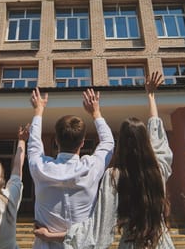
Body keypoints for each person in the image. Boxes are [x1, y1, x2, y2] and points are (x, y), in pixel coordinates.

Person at [34, 72, 174, 249]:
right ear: (146, 142)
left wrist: (52, 236)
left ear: (121, 145)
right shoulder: (159, 169)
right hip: (163, 244)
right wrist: (151, 96)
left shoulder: (114, 177)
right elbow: (157, 138)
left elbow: (98, 230)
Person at [28, 86, 115, 249]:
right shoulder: (92, 167)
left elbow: (33, 143)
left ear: (56, 141)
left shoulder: (40, 168)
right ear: (83, 143)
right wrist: (96, 113)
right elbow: (108, 143)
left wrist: (38, 111)